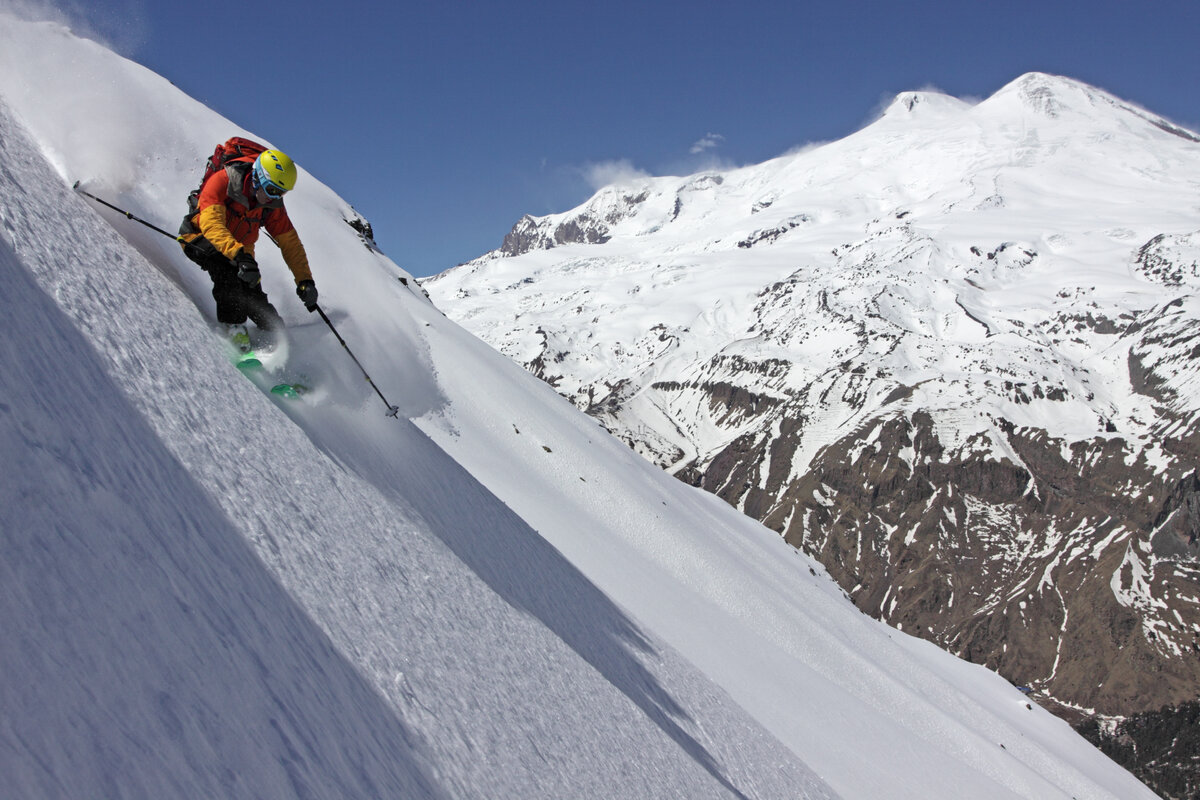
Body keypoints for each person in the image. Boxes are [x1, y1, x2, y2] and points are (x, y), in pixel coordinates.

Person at [179, 148, 318, 334]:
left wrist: (305, 280)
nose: (273, 197)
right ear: (257, 176)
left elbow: (290, 242)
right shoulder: (223, 182)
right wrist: (239, 255)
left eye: (281, 193)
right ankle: (234, 330)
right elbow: (211, 225)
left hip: (241, 256)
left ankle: (275, 334)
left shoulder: (270, 205)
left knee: (255, 299)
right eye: (271, 189)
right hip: (198, 237)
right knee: (227, 272)